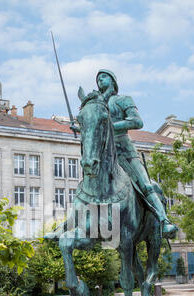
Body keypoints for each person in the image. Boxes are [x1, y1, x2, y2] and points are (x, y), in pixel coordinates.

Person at [72, 69, 178, 239]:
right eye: (98, 78)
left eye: (104, 77)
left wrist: (110, 126)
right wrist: (82, 127)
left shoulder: (123, 100)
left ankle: (164, 221)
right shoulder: (96, 105)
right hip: (105, 157)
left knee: (146, 185)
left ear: (113, 81)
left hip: (126, 153)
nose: (100, 80)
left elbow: (137, 121)